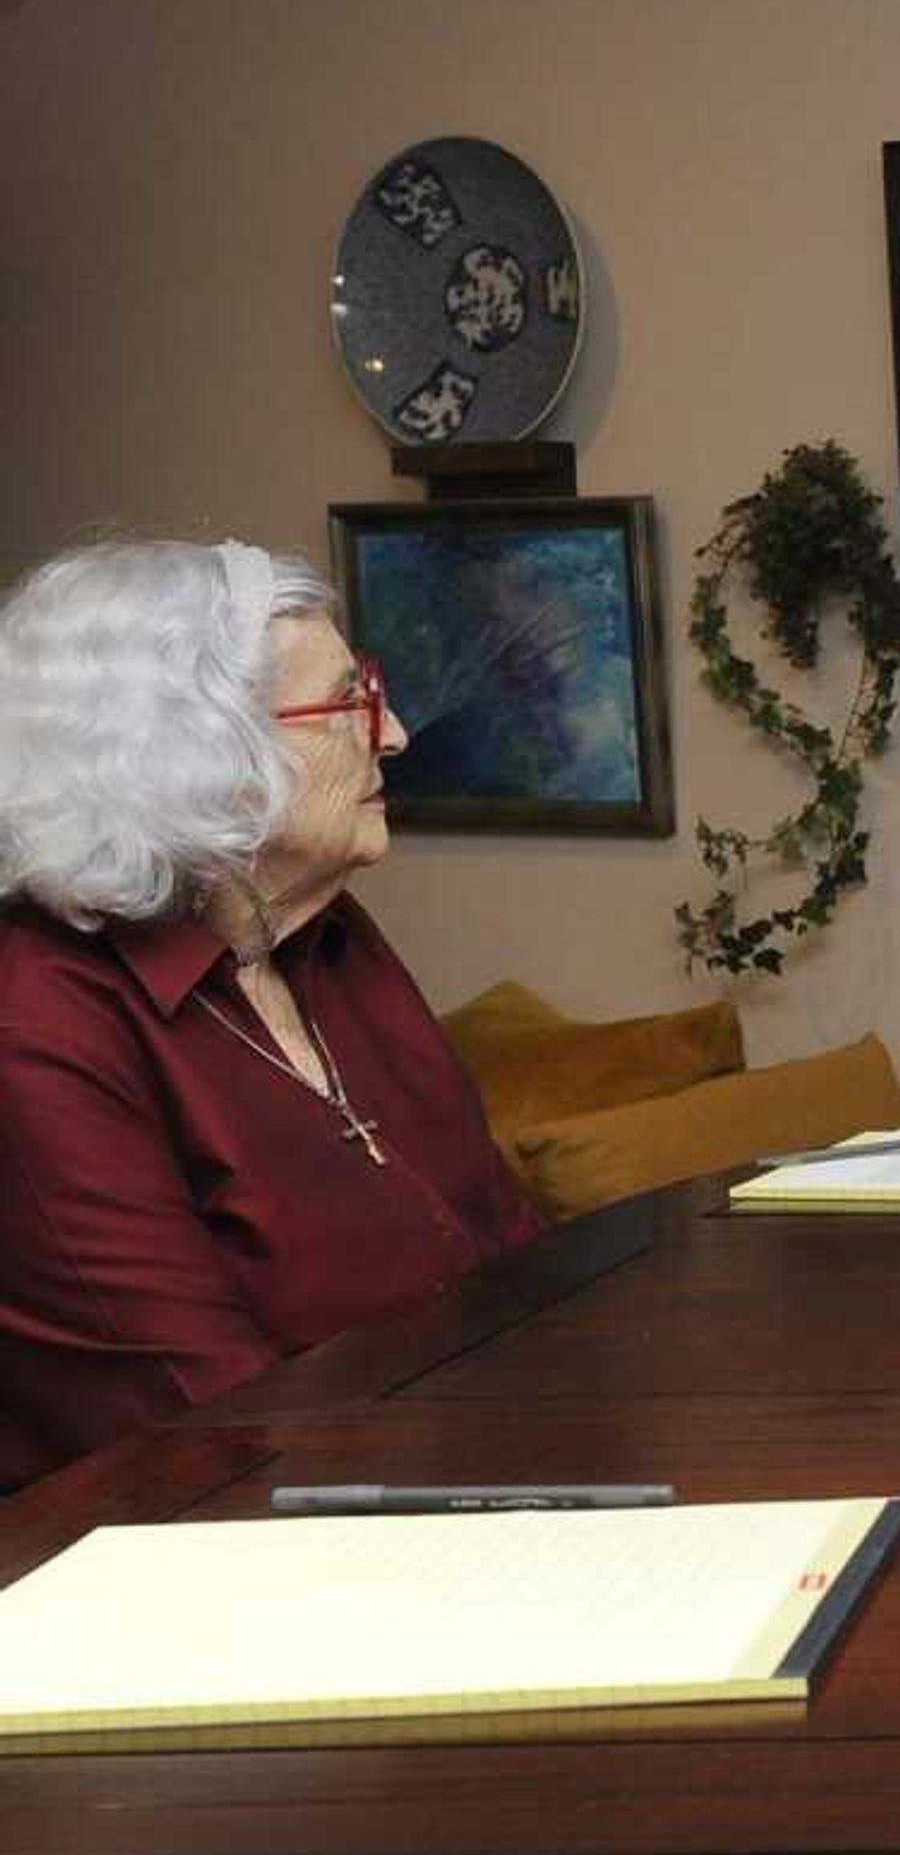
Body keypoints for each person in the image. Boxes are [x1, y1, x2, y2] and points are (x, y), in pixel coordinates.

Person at [0, 539, 537, 1490]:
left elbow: (520, 1268)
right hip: (219, 1569)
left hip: (463, 1489)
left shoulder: (330, 938)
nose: (397, 733)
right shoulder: (37, 1026)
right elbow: (219, 1431)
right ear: (194, 757)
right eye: (349, 705)